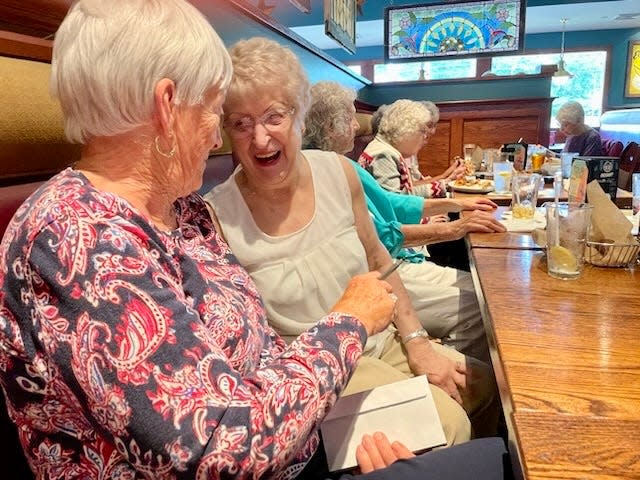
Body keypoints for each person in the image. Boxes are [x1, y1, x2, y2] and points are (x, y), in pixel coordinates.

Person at [0, 2, 510, 479]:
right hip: (273, 457)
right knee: (494, 461)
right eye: (215, 112)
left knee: (494, 436)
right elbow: (217, 448)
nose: (218, 137)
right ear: (166, 107)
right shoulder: (79, 239)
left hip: (305, 429)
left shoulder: (184, 213)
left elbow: (264, 356)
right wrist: (349, 322)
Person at [205, 37, 499, 443]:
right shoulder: (217, 216)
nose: (260, 138)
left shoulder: (338, 172)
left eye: (274, 116)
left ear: (300, 118)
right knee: (449, 421)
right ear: (226, 131)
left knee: (489, 384)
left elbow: (381, 259)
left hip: (384, 338)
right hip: (321, 370)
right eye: (241, 123)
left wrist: (418, 343)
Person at [302, 80, 507, 365]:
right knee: (478, 305)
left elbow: (392, 202)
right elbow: (379, 238)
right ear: (328, 128)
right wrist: (454, 228)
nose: (357, 128)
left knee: (481, 289)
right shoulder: (326, 168)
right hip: (379, 269)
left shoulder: (341, 162)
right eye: (350, 119)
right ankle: (454, 378)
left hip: (394, 258)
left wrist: (457, 203)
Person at [360, 100, 448, 198]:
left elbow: (403, 193)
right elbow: (395, 202)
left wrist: (441, 186)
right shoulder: (383, 154)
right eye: (423, 131)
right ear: (406, 130)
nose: (425, 136)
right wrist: (439, 188)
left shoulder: (382, 147)